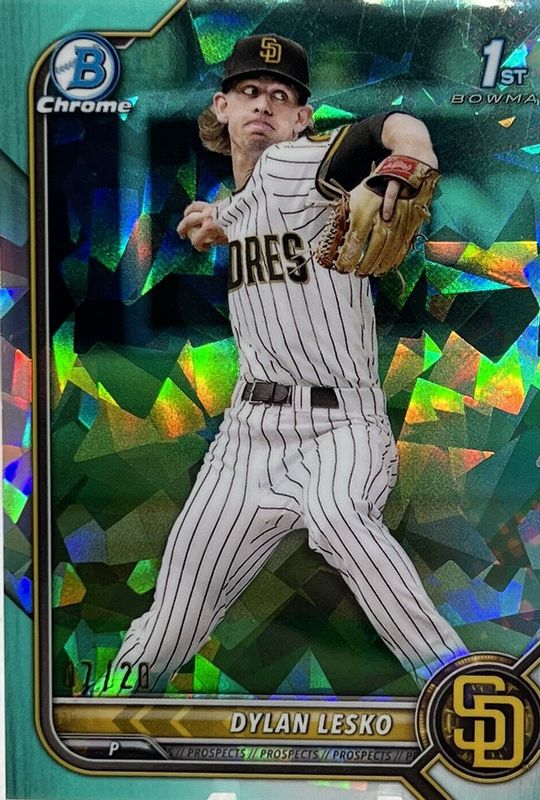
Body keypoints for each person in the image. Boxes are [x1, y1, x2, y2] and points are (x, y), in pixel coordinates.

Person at [107, 33, 467, 694]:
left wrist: (408, 157)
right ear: (222, 106)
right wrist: (217, 219)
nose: (264, 104)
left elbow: (391, 125)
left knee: (339, 516)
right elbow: (248, 208)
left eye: (282, 96)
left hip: (340, 427)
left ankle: (455, 681)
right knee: (176, 608)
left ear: (303, 119)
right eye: (249, 91)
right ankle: (114, 700)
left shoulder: (299, 163)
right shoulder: (242, 198)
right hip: (249, 436)